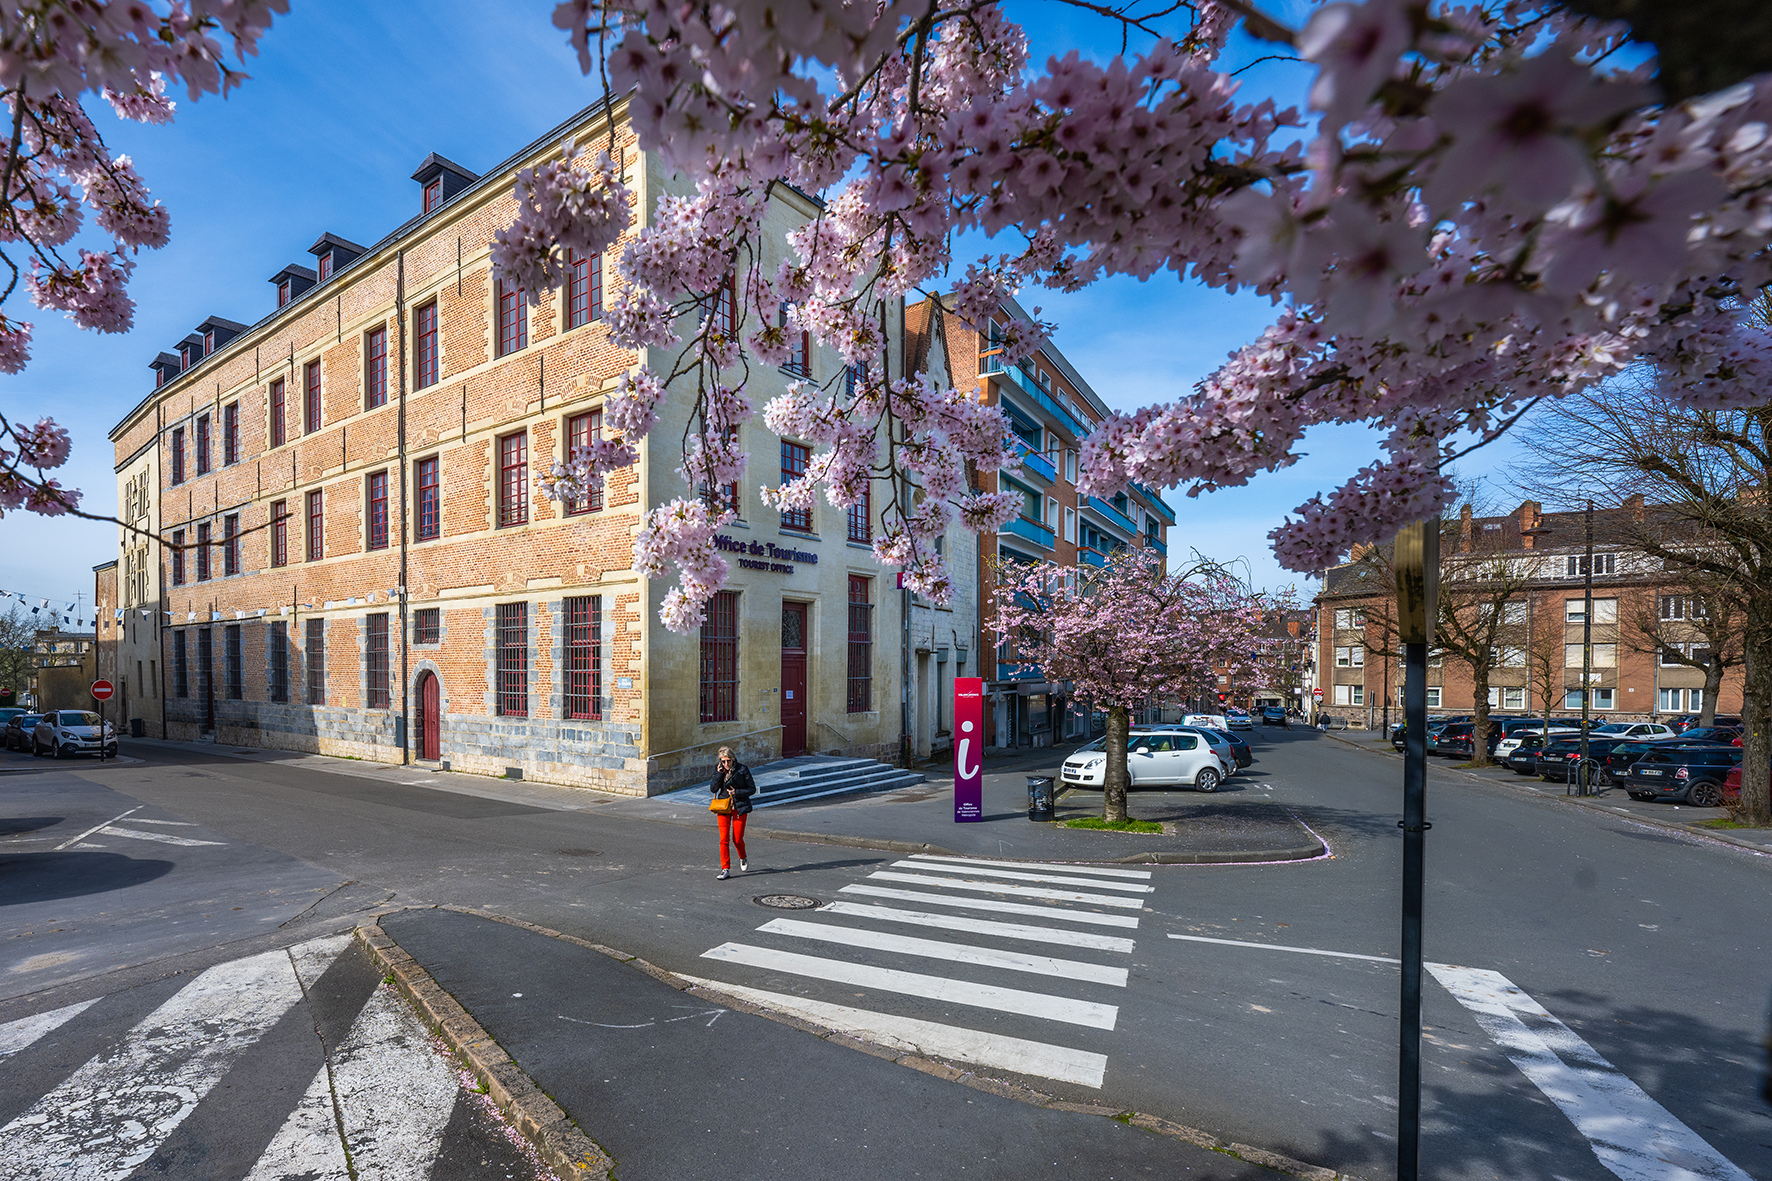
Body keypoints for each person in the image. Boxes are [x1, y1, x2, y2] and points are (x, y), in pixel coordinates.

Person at [710, 746, 756, 879]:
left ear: (733, 759)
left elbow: (752, 789)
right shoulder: (719, 770)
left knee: (737, 839)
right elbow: (713, 789)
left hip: (739, 807)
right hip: (723, 807)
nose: (726, 764)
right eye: (723, 761)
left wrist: (737, 792)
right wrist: (719, 774)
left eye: (728, 761)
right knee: (724, 839)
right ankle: (725, 869)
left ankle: (743, 857)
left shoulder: (742, 769)